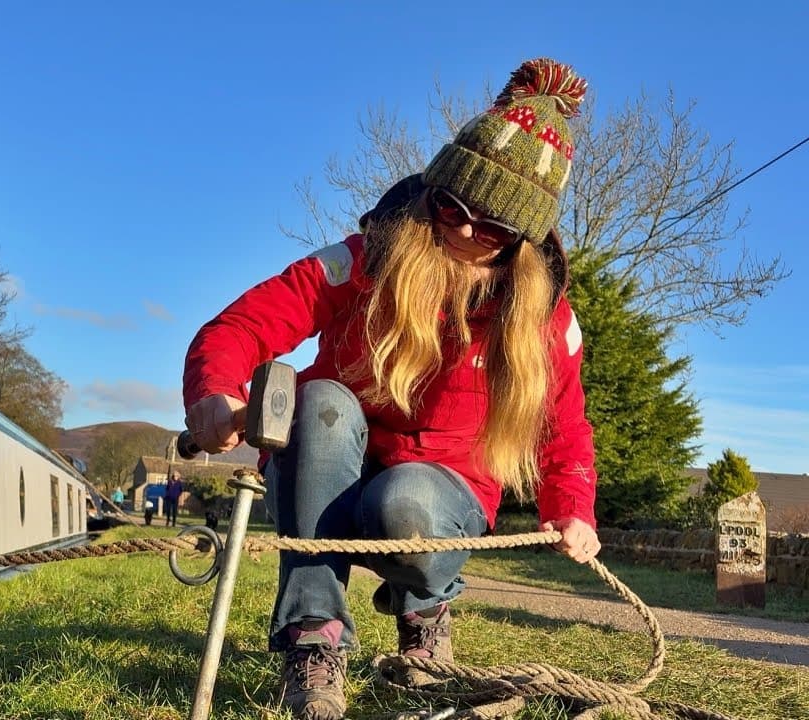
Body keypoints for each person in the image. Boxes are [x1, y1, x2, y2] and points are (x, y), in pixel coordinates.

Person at [182, 58, 601, 720]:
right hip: (331, 470)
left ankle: (426, 612)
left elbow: (566, 428)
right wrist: (214, 390)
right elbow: (240, 325)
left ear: (521, 240)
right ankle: (313, 641)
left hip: (442, 491)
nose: (463, 233)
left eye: (490, 227)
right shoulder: (363, 259)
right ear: (431, 191)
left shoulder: (546, 319)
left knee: (403, 504)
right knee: (316, 404)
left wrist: (571, 506)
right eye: (450, 208)